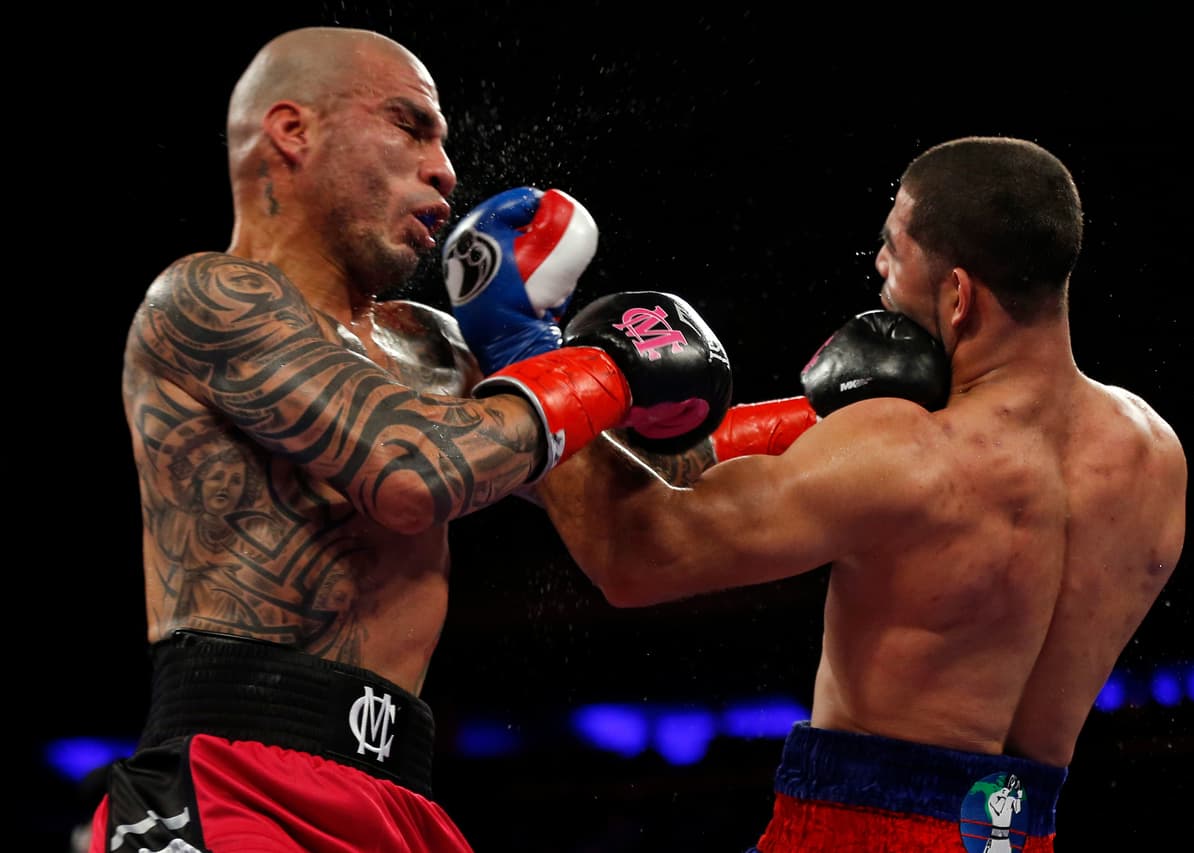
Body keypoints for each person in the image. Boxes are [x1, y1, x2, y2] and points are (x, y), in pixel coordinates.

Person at [92, 25, 731, 853]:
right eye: (411, 125)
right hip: (232, 786)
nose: (446, 169)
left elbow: (661, 488)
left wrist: (848, 413)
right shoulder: (207, 299)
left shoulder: (433, 345)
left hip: (399, 798)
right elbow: (410, 474)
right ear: (293, 131)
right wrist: (602, 369)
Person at [523, 136, 1188, 851]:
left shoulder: (908, 449)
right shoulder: (1154, 455)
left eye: (893, 249)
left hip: (859, 829)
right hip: (1016, 832)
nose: (876, 267)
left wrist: (526, 357)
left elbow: (639, 551)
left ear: (959, 295)